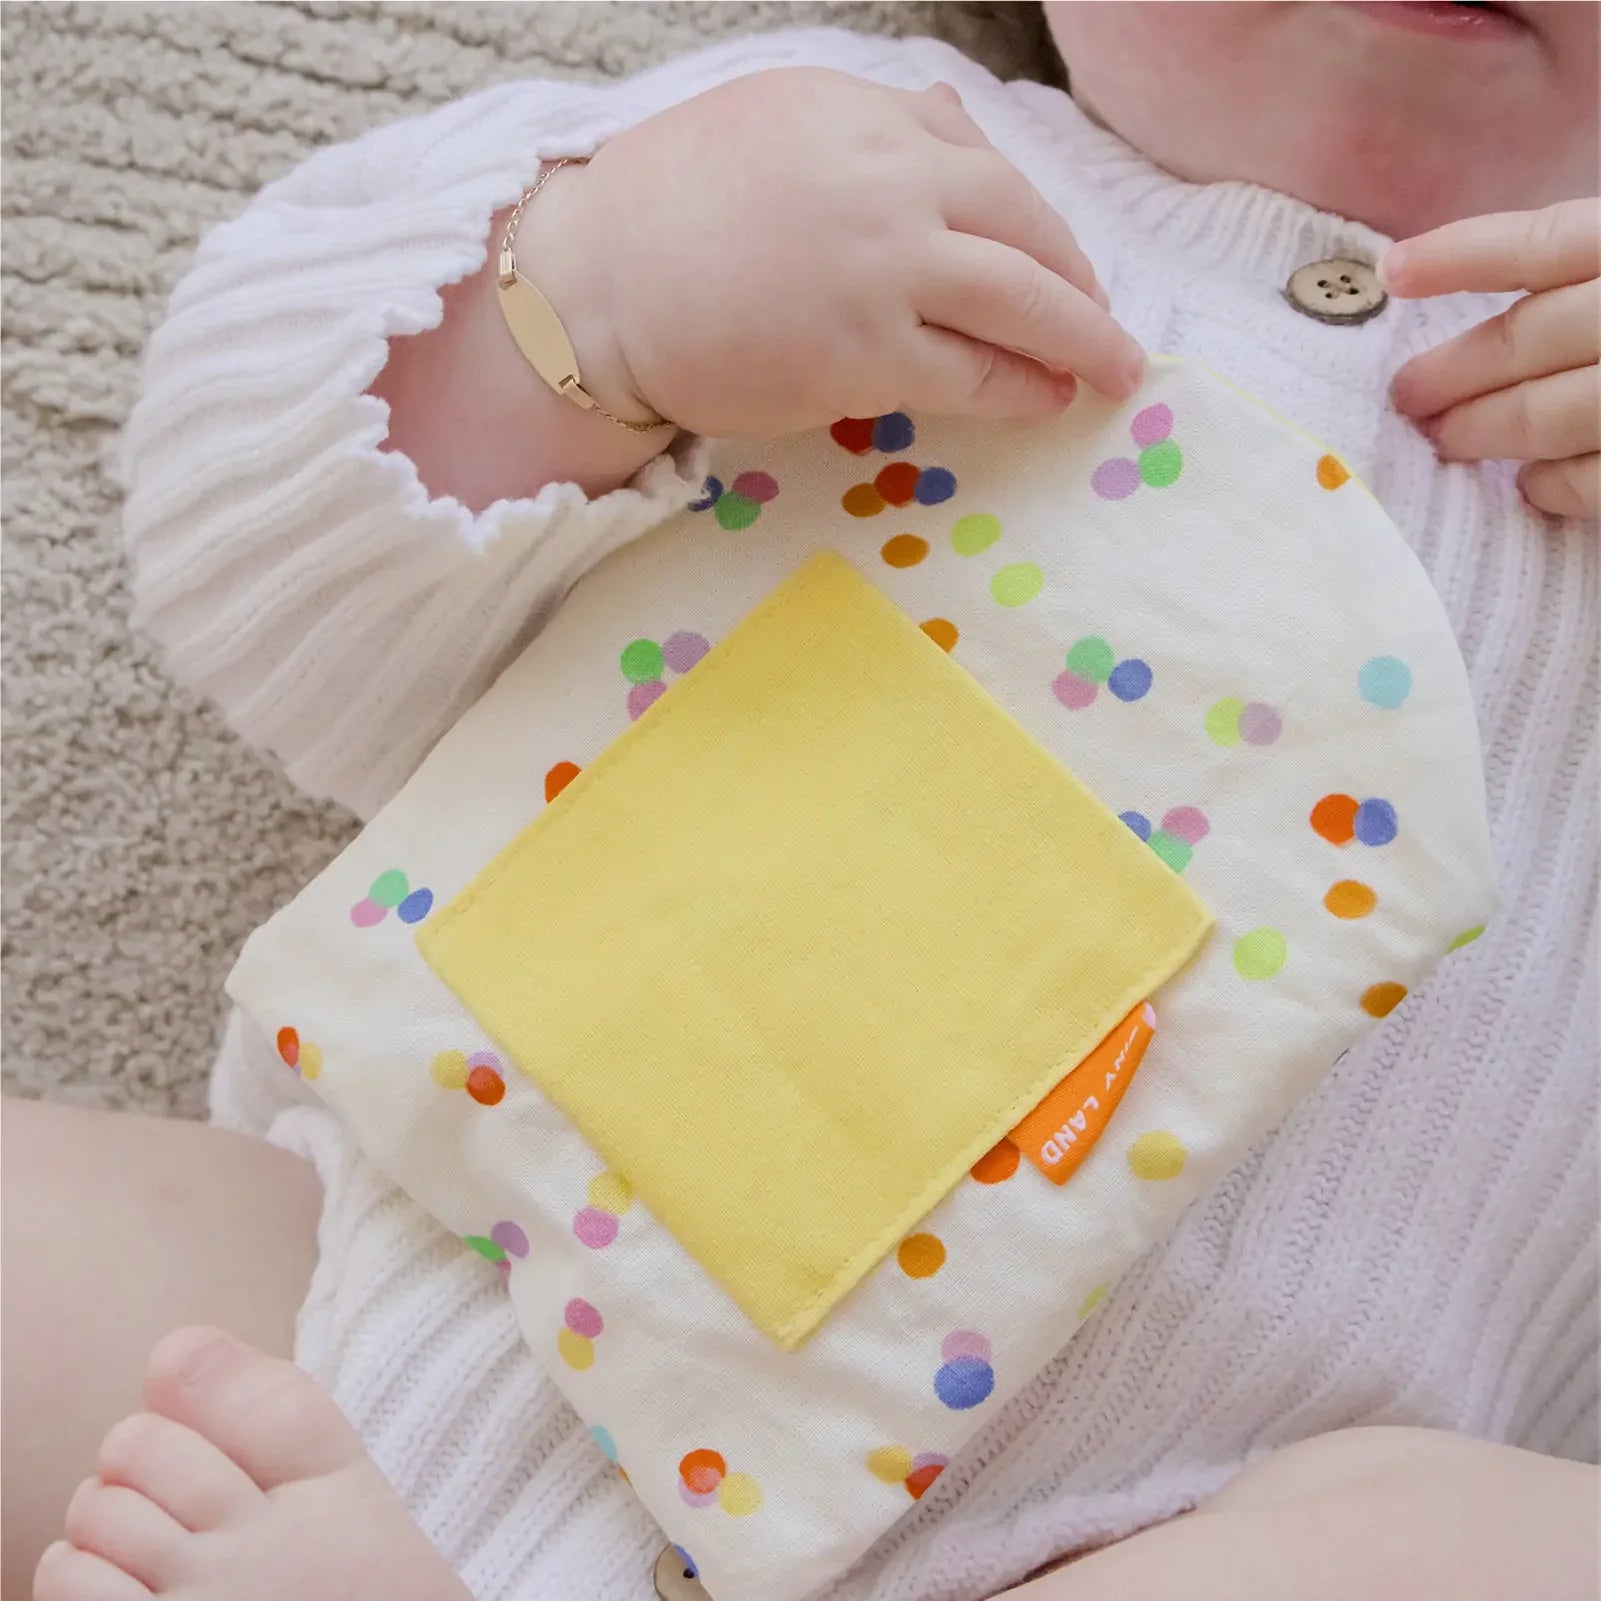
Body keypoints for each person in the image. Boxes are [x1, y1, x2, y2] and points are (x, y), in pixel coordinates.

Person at [6, 5, 1597, 1599]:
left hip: (1131, 1526)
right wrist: (590, 303)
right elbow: (253, 589)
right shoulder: (850, 155)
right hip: (380, 1291)